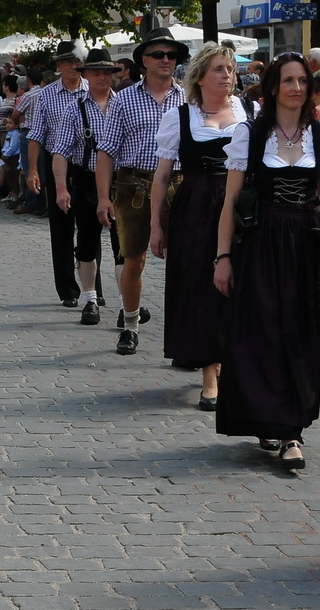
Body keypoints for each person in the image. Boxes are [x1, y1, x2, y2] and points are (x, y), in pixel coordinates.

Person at [213, 53, 320, 466]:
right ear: (272, 87)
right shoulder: (250, 134)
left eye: (302, 81)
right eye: (288, 81)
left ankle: (291, 431)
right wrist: (223, 257)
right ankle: (271, 422)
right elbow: (230, 202)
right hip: (260, 243)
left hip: (304, 244)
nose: (296, 88)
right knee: (262, 332)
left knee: (301, 334)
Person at [152, 44, 247, 409]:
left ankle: (228, 361)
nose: (227, 75)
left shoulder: (249, 111)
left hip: (239, 206)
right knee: (200, 285)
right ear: (201, 77)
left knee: (237, 284)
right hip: (195, 207)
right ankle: (209, 370)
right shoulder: (180, 117)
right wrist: (156, 226)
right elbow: (162, 178)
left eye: (230, 69)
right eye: (220, 69)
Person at [95, 28, 186, 354]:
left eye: (171, 55)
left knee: (185, 263)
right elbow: (105, 151)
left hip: (179, 186)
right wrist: (104, 198)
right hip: (134, 186)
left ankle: (184, 334)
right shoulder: (125, 99)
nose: (165, 60)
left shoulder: (189, 97)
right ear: (144, 61)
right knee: (133, 260)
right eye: (158, 55)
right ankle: (130, 324)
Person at [45, 47, 123, 320]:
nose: (103, 78)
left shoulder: (123, 104)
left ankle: (128, 303)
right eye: (97, 73)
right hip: (86, 181)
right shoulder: (74, 109)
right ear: (86, 75)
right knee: (87, 243)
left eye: (107, 73)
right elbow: (60, 152)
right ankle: (90, 298)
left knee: (123, 246)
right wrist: (61, 188)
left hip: (121, 183)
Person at [25, 42, 95, 305]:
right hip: (58, 166)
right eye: (67, 62)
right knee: (62, 228)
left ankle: (93, 288)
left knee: (90, 227)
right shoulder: (46, 95)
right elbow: (35, 135)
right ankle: (68, 290)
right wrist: (32, 170)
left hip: (88, 166)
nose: (73, 67)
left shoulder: (92, 90)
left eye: (77, 62)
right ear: (58, 67)